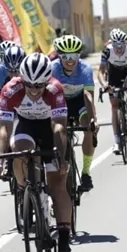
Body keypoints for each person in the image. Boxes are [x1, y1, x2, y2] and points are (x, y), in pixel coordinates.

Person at [0, 52, 73, 252]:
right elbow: (3, 132)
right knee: (18, 151)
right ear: (22, 80)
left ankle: (64, 239)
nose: (35, 91)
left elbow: (59, 127)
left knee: (58, 185)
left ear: (47, 81)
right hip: (26, 126)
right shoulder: (11, 90)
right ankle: (26, 189)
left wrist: (61, 159)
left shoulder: (55, 89)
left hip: (50, 129)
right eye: (30, 85)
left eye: (39, 86)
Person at [50, 35, 97, 191]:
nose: (70, 60)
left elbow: (88, 96)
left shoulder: (85, 69)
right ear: (59, 55)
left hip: (78, 103)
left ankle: (86, 173)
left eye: (74, 56)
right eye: (65, 56)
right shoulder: (52, 68)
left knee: (88, 129)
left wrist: (93, 120)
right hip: (59, 103)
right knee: (55, 130)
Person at [98, 29, 127, 152]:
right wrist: (105, 84)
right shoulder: (107, 51)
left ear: (126, 43)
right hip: (113, 74)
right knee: (114, 107)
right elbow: (100, 71)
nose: (119, 48)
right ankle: (116, 141)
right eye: (116, 45)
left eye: (122, 45)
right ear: (112, 43)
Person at [0, 44, 26, 132]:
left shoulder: (28, 69)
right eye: (11, 71)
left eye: (17, 71)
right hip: (4, 98)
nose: (14, 75)